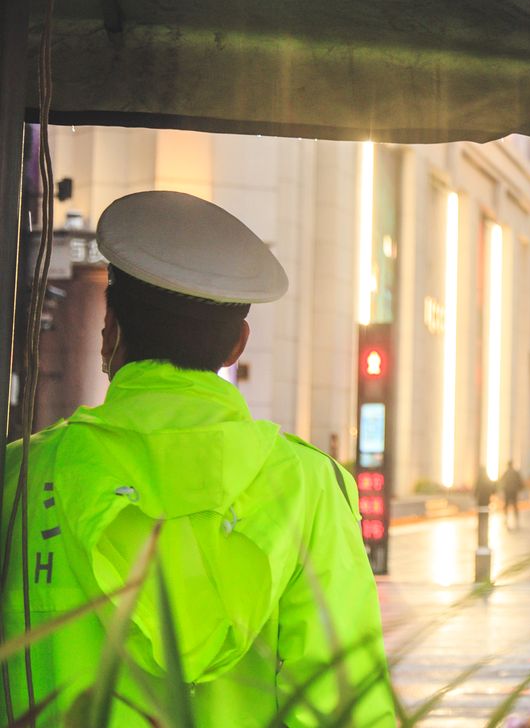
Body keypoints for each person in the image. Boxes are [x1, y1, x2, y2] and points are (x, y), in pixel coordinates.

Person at [1, 191, 395, 726]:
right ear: (237, 346)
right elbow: (347, 708)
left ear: (109, 328)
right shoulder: (311, 488)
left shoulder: (21, 476)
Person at [500, 461, 525, 530]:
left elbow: (501, 480)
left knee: (507, 505)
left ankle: (506, 519)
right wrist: (520, 488)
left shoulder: (506, 472)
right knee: (514, 506)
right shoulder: (515, 472)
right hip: (514, 491)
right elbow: (520, 482)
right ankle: (516, 519)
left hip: (507, 491)